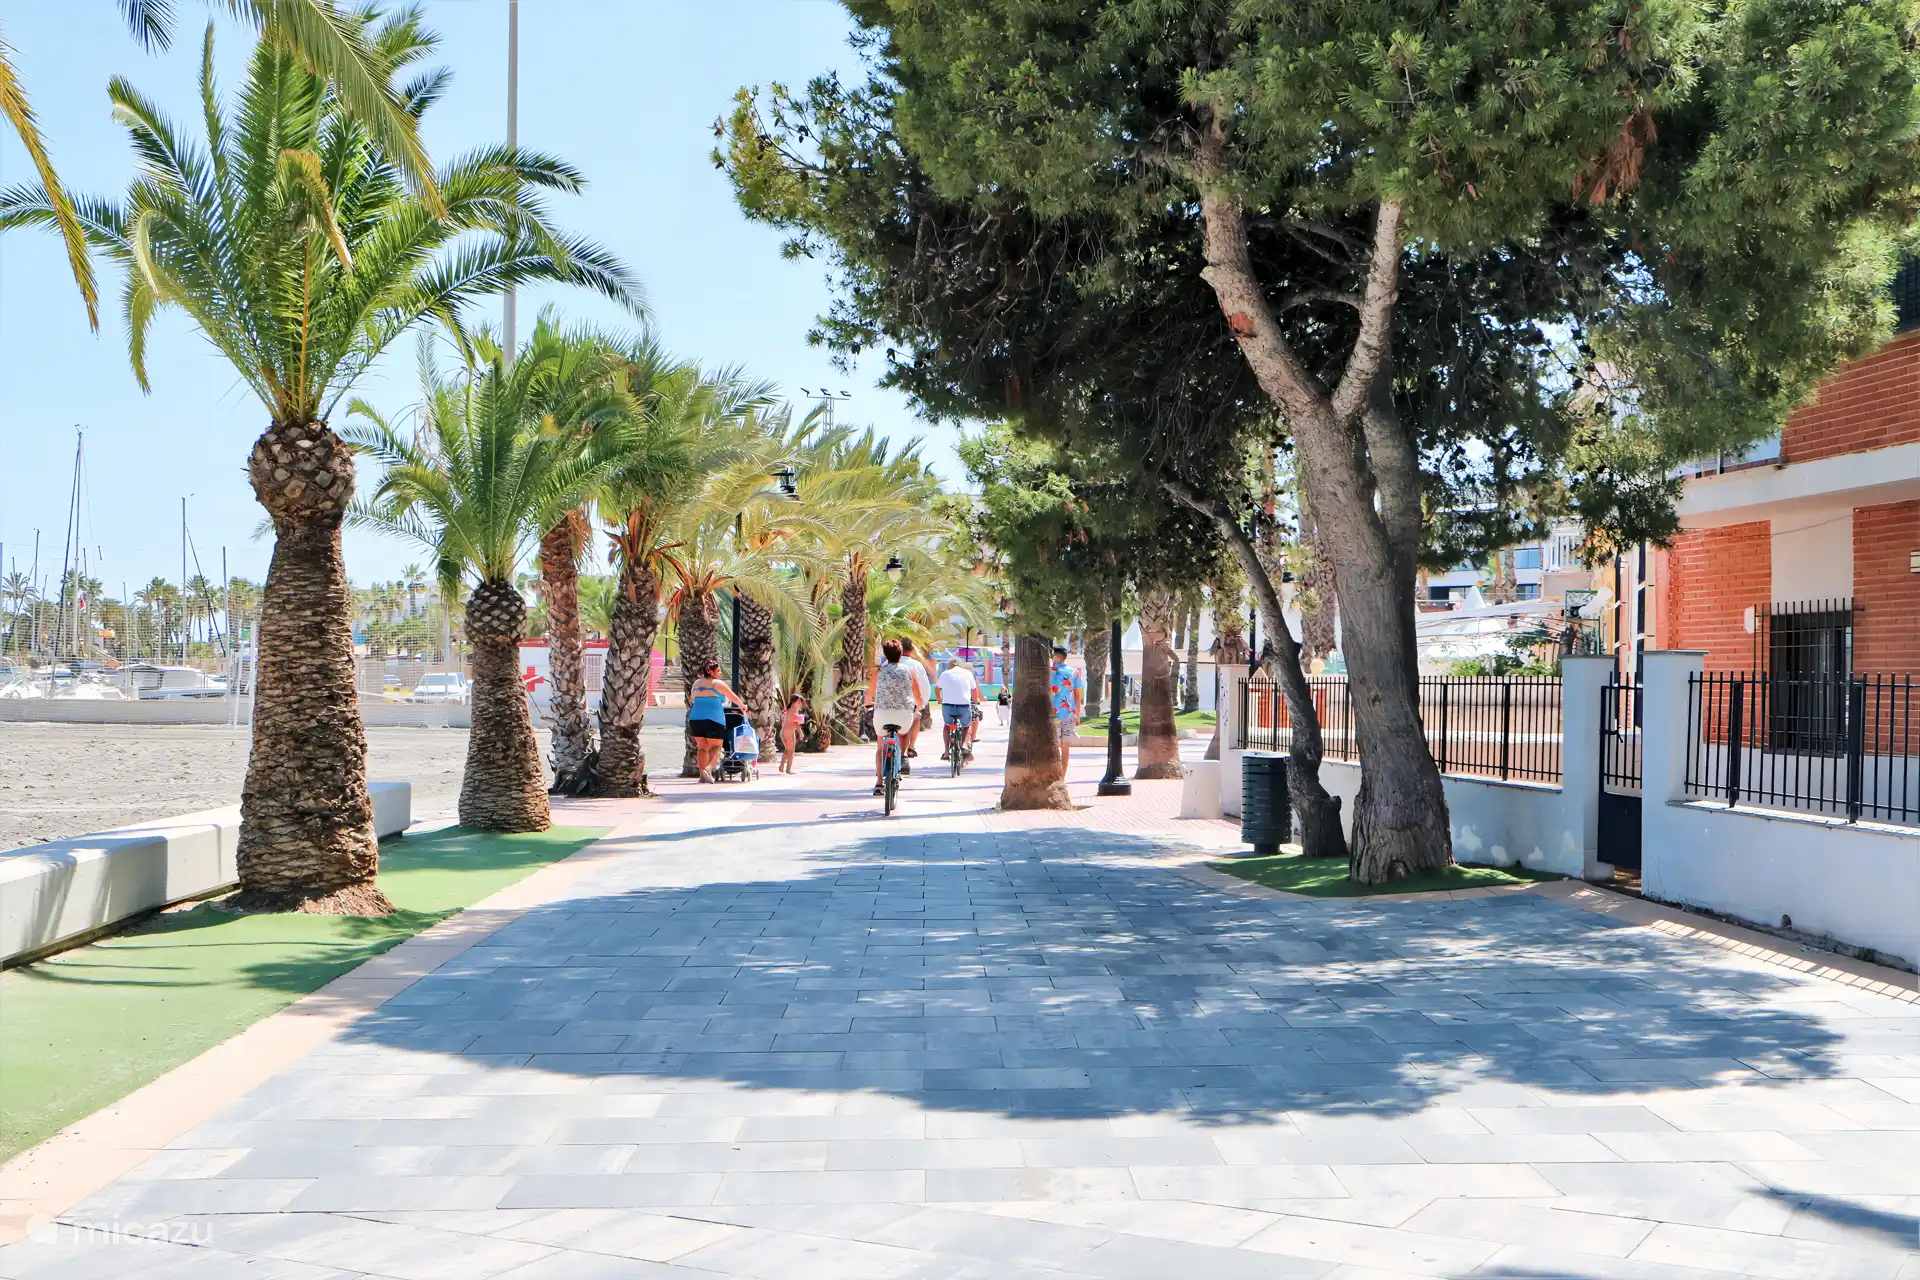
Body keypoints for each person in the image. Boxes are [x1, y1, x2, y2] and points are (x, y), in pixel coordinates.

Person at [869, 638, 920, 796]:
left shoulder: (878, 671)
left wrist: (868, 704)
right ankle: (903, 757)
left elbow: (869, 694)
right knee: (903, 732)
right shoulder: (908, 670)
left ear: (885, 654)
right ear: (900, 654)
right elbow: (917, 694)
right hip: (903, 715)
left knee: (880, 748)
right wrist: (919, 705)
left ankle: (878, 782)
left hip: (882, 715)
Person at [687, 661, 746, 783]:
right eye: (718, 671)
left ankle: (702, 775)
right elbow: (733, 697)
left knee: (702, 747)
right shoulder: (717, 684)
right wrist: (742, 706)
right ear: (711, 672)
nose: (720, 673)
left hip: (696, 718)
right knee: (716, 746)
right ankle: (708, 769)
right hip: (713, 719)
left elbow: (692, 698)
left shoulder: (696, 683)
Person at [935, 656, 983, 760]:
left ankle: (946, 752)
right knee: (967, 725)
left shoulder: (945, 674)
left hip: (947, 706)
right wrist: (975, 701)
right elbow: (974, 691)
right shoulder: (968, 673)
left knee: (947, 726)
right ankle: (964, 745)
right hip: (963, 706)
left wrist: (940, 699)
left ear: (949, 666)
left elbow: (937, 689)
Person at [1048, 643, 1085, 774]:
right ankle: (1062, 776)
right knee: (1065, 746)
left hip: (1052, 715)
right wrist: (1078, 715)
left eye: (1053, 656)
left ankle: (1053, 775)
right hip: (1069, 714)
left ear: (1057, 657)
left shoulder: (1049, 672)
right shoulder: (1074, 672)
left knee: (1052, 745)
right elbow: (1077, 695)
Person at [898, 637, 935, 758]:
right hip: (910, 704)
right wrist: (922, 703)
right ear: (912, 650)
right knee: (916, 719)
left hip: (888, 706)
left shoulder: (887, 663)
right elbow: (924, 686)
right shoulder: (916, 665)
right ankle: (911, 746)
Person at [779, 693, 809, 774]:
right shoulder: (794, 709)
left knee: (787, 749)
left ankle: (782, 766)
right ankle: (788, 770)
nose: (800, 703)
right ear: (795, 701)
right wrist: (800, 732)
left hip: (783, 732)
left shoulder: (787, 709)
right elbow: (796, 723)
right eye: (799, 701)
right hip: (789, 732)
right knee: (791, 751)